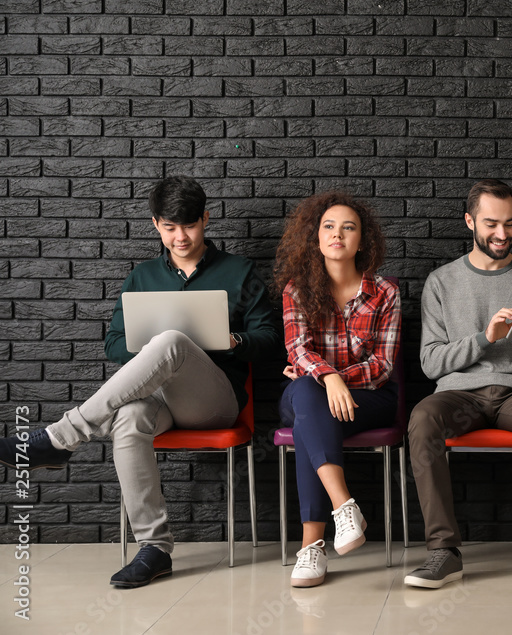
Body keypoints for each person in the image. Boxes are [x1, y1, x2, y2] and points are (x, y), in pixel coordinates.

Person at [0, 176, 281, 588]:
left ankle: (61, 438)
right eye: (170, 227)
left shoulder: (240, 272)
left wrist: (231, 340)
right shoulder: (143, 276)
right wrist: (154, 355)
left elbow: (271, 339)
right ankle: (155, 548)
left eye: (189, 225)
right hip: (159, 402)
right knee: (129, 416)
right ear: (155, 225)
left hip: (214, 402)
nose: (180, 237)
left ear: (205, 219)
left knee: (171, 341)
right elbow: (114, 344)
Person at [404, 179, 512, 591]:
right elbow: (430, 363)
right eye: (491, 224)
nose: (502, 234)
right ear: (469, 221)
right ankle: (443, 552)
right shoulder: (441, 282)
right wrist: (486, 338)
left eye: (511, 224)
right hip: (458, 394)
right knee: (422, 417)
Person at [272, 191, 401, 589]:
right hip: (311, 394)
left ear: (362, 240)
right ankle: (344, 506)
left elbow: (383, 365)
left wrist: (328, 376)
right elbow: (297, 349)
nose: (337, 234)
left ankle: (312, 547)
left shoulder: (385, 292)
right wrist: (328, 379)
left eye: (348, 228)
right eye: (328, 226)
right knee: (311, 400)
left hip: (371, 398)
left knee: (311, 411)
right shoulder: (296, 290)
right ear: (316, 237)